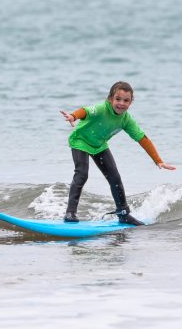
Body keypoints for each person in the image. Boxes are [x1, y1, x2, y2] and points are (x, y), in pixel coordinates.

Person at [59, 81, 175, 225]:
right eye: (118, 99)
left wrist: (158, 160)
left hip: (99, 145)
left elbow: (142, 138)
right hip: (80, 141)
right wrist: (73, 116)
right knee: (82, 174)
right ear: (110, 99)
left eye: (126, 100)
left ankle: (123, 214)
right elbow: (85, 111)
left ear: (131, 102)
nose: (121, 103)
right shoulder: (101, 108)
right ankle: (70, 213)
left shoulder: (126, 120)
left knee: (115, 178)